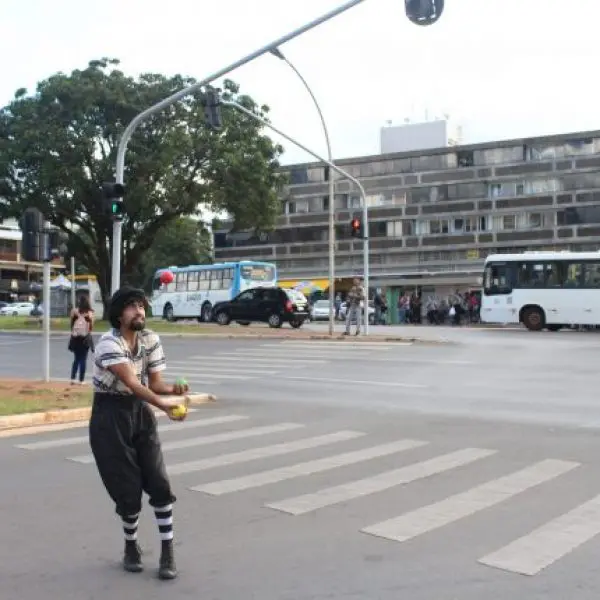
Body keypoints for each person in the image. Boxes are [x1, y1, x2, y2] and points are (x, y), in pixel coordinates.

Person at [89, 286, 190, 580]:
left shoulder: (150, 340)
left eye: (142, 306)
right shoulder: (108, 343)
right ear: (120, 314)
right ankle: (130, 546)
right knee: (128, 489)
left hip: (140, 413)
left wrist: (174, 390)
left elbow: (154, 383)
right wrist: (165, 406)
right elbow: (133, 383)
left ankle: (167, 552)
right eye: (132, 307)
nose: (140, 311)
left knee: (159, 482)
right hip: (110, 417)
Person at [68, 296, 95, 384]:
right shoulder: (90, 313)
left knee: (76, 359)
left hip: (76, 338)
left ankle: (72, 378)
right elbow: (91, 328)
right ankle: (81, 380)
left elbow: (71, 324)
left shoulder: (74, 311)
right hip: (85, 338)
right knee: (83, 359)